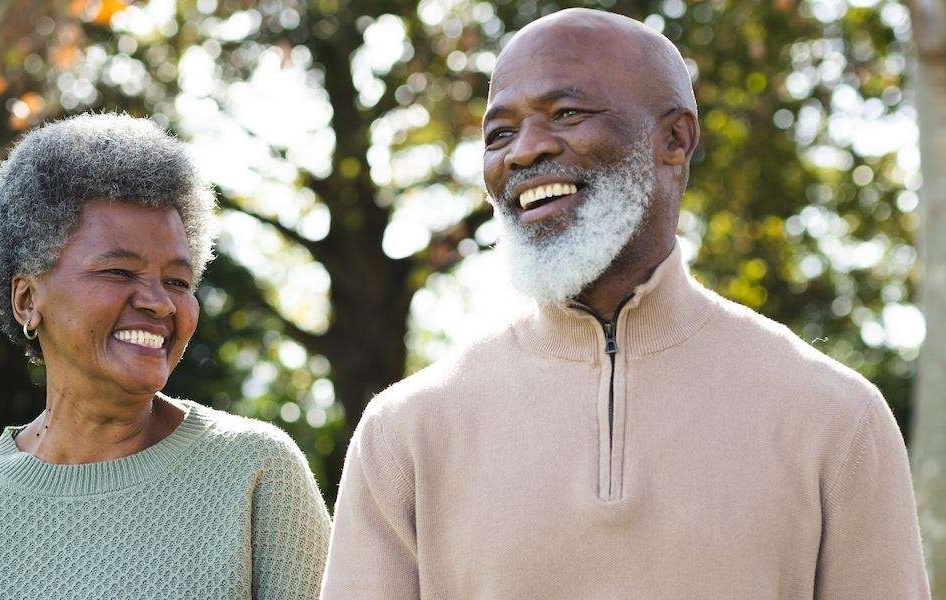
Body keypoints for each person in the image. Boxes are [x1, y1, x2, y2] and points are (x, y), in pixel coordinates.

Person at [321, 8, 928, 599]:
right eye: (499, 133)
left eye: (567, 112)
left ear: (675, 139)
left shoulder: (835, 418)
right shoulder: (405, 432)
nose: (524, 151)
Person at [0, 113, 331, 599]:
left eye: (178, 281)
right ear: (28, 299)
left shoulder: (255, 472)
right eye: (119, 272)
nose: (159, 302)